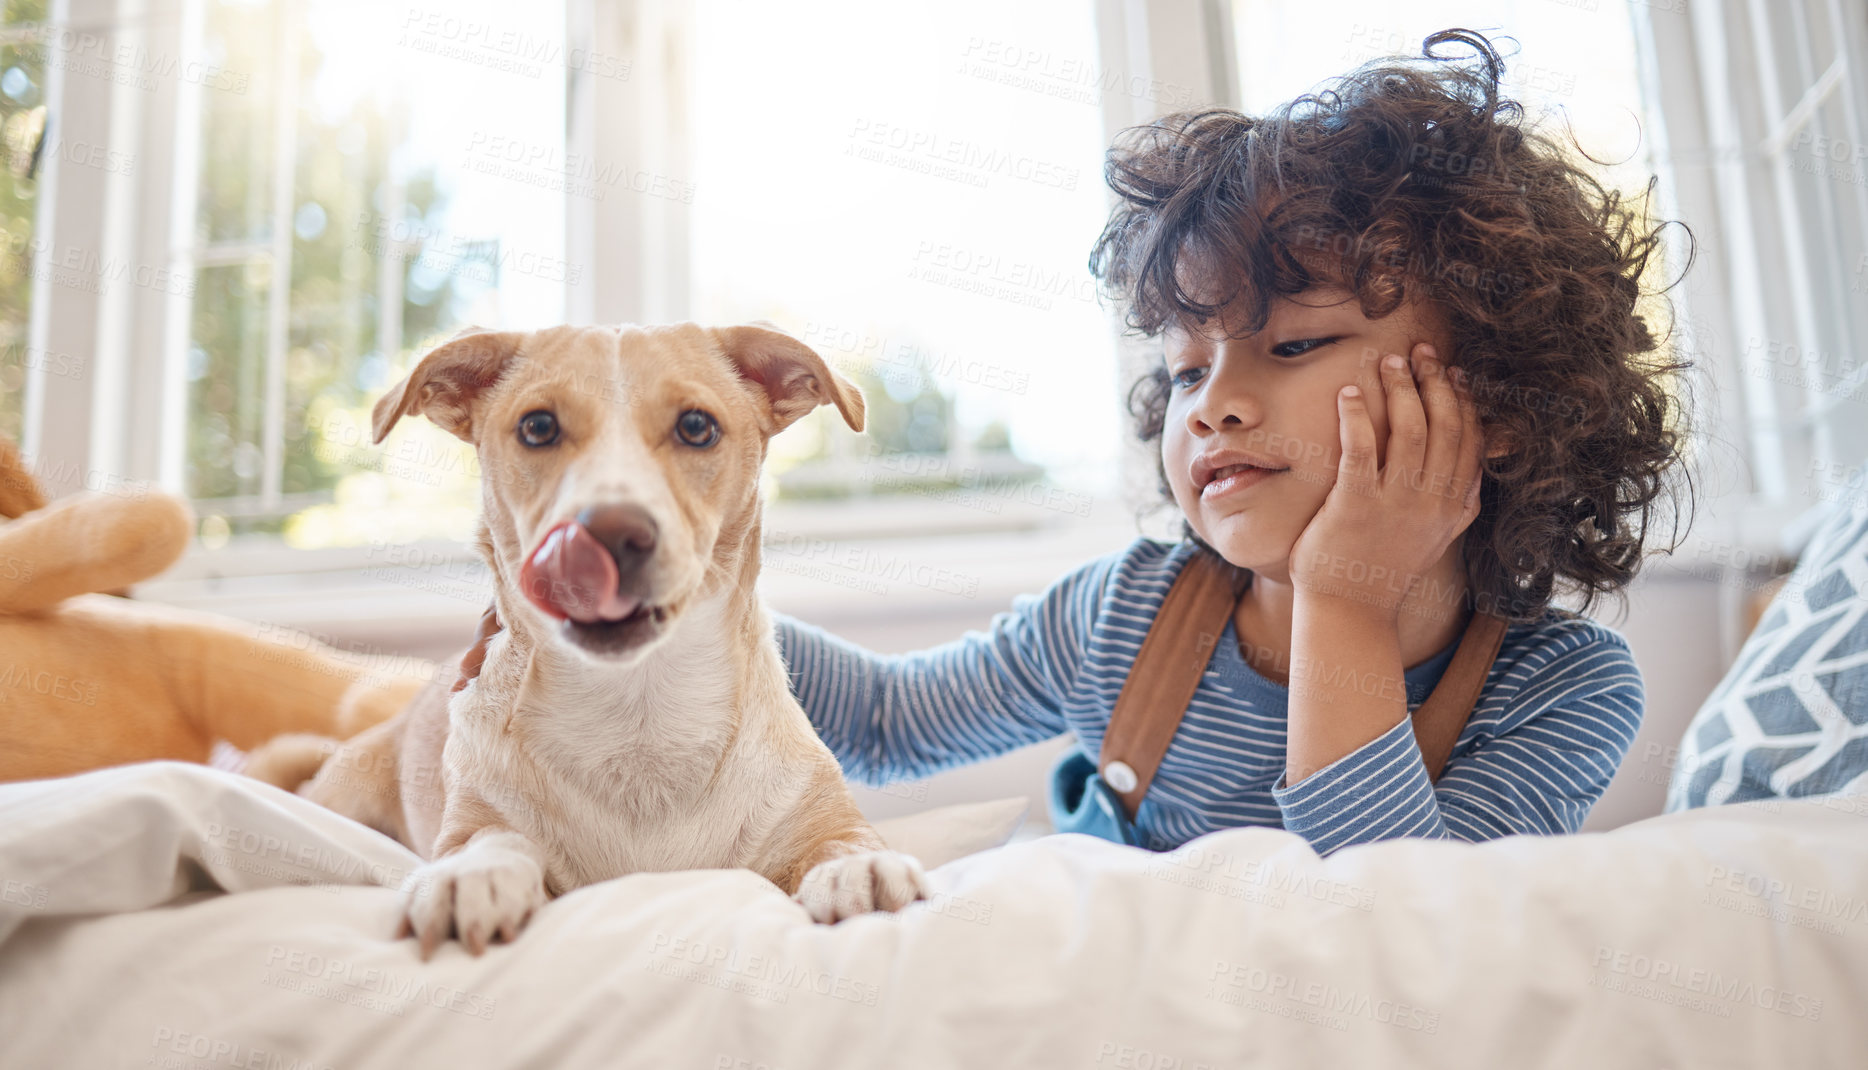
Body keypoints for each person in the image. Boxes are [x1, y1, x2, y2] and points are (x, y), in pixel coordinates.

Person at [457, 29, 1692, 857]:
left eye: (1293, 345)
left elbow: (1384, 932)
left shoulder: (1564, 690)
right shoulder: (1125, 615)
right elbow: (887, 724)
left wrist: (1347, 605)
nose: (1210, 401)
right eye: (1186, 365)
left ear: (1505, 400)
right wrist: (657, 602)